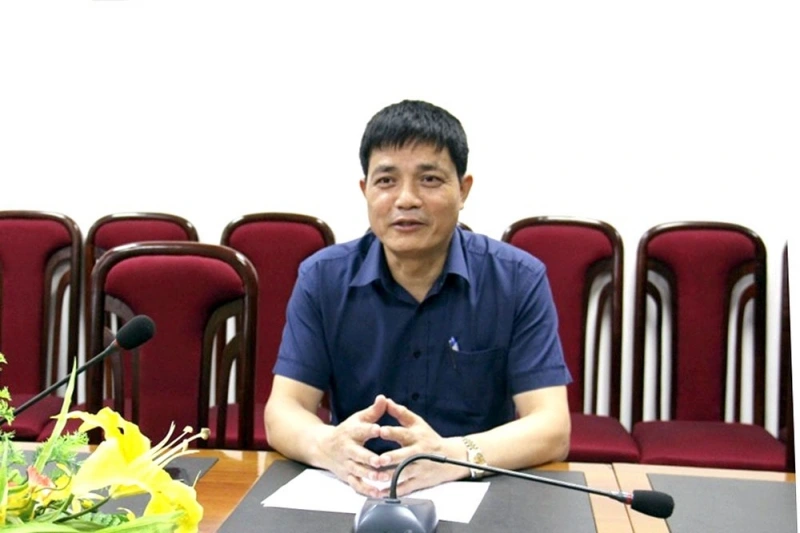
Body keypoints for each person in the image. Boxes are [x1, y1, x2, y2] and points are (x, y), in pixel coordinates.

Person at [264, 99, 571, 498]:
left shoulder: (517, 279)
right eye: (386, 181)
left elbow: (552, 427)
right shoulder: (323, 278)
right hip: (356, 490)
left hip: (475, 488)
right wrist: (329, 447)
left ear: (463, 190)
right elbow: (283, 411)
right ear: (365, 190)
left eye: (429, 179)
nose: (406, 199)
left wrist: (451, 457)